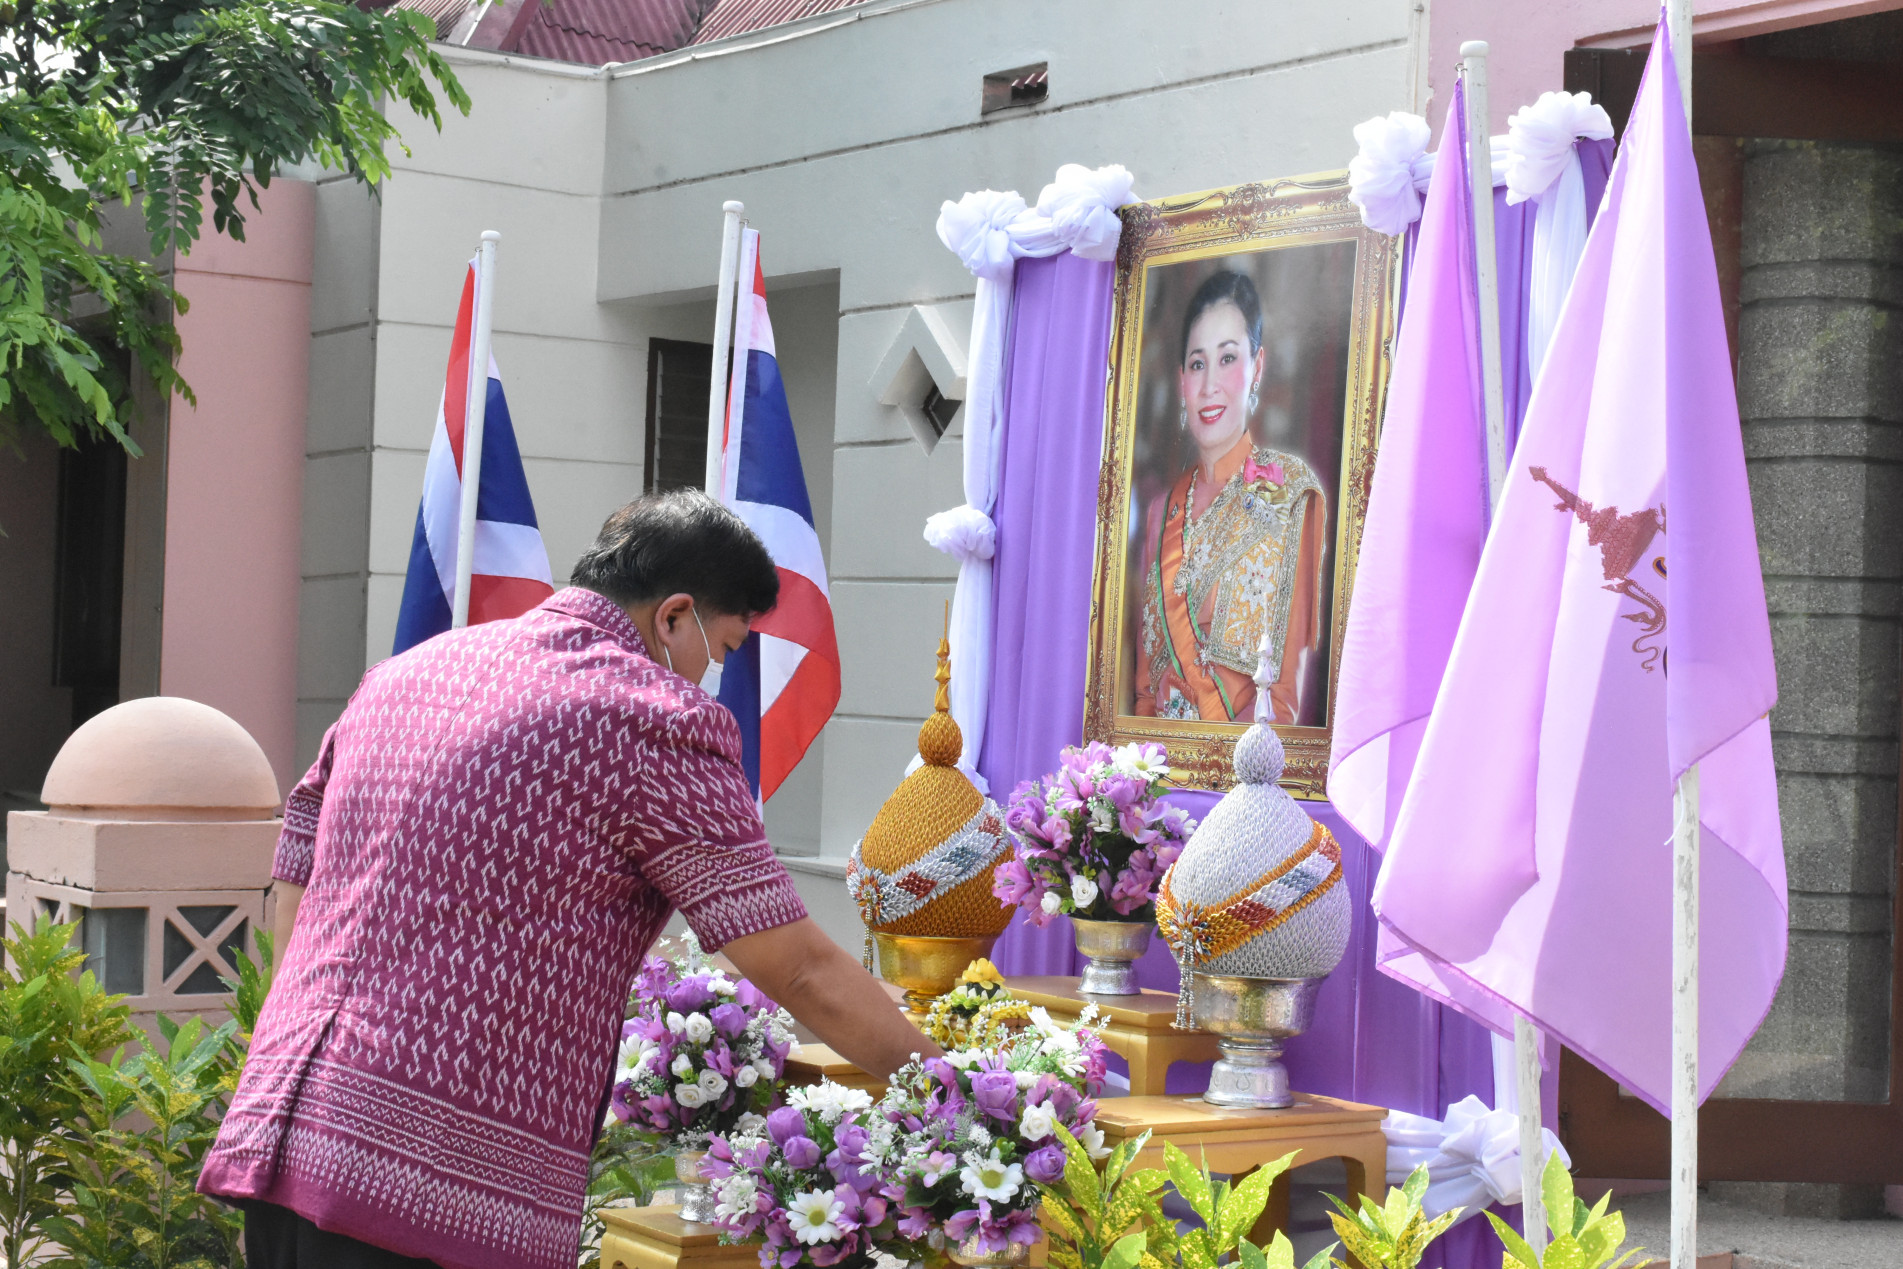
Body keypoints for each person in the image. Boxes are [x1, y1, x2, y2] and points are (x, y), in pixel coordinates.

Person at [199, 491, 939, 1269]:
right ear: (674, 616)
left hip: (281, 1134)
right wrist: (949, 1097)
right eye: (720, 649)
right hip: (420, 1187)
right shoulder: (649, 716)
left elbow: (298, 865)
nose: (712, 676)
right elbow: (800, 968)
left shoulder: (403, 674)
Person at [1132, 269, 1326, 724]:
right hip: (1157, 761)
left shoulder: (1288, 494)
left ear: (1257, 367)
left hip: (1249, 762)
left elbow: (1283, 700)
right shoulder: (1161, 511)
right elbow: (1144, 694)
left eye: (1228, 358)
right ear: (1181, 380)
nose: (1209, 386)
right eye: (1197, 364)